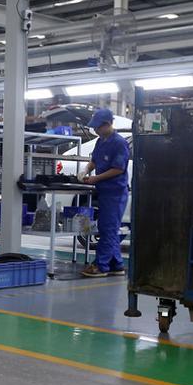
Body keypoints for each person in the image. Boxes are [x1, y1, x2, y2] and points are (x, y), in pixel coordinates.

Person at [78, 107, 130, 278]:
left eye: (98, 127)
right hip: (104, 191)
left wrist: (96, 178)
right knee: (108, 228)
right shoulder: (101, 141)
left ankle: (101, 266)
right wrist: (86, 170)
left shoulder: (119, 142)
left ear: (107, 124)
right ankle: (117, 265)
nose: (95, 130)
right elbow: (94, 160)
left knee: (107, 228)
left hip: (115, 192)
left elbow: (118, 169)